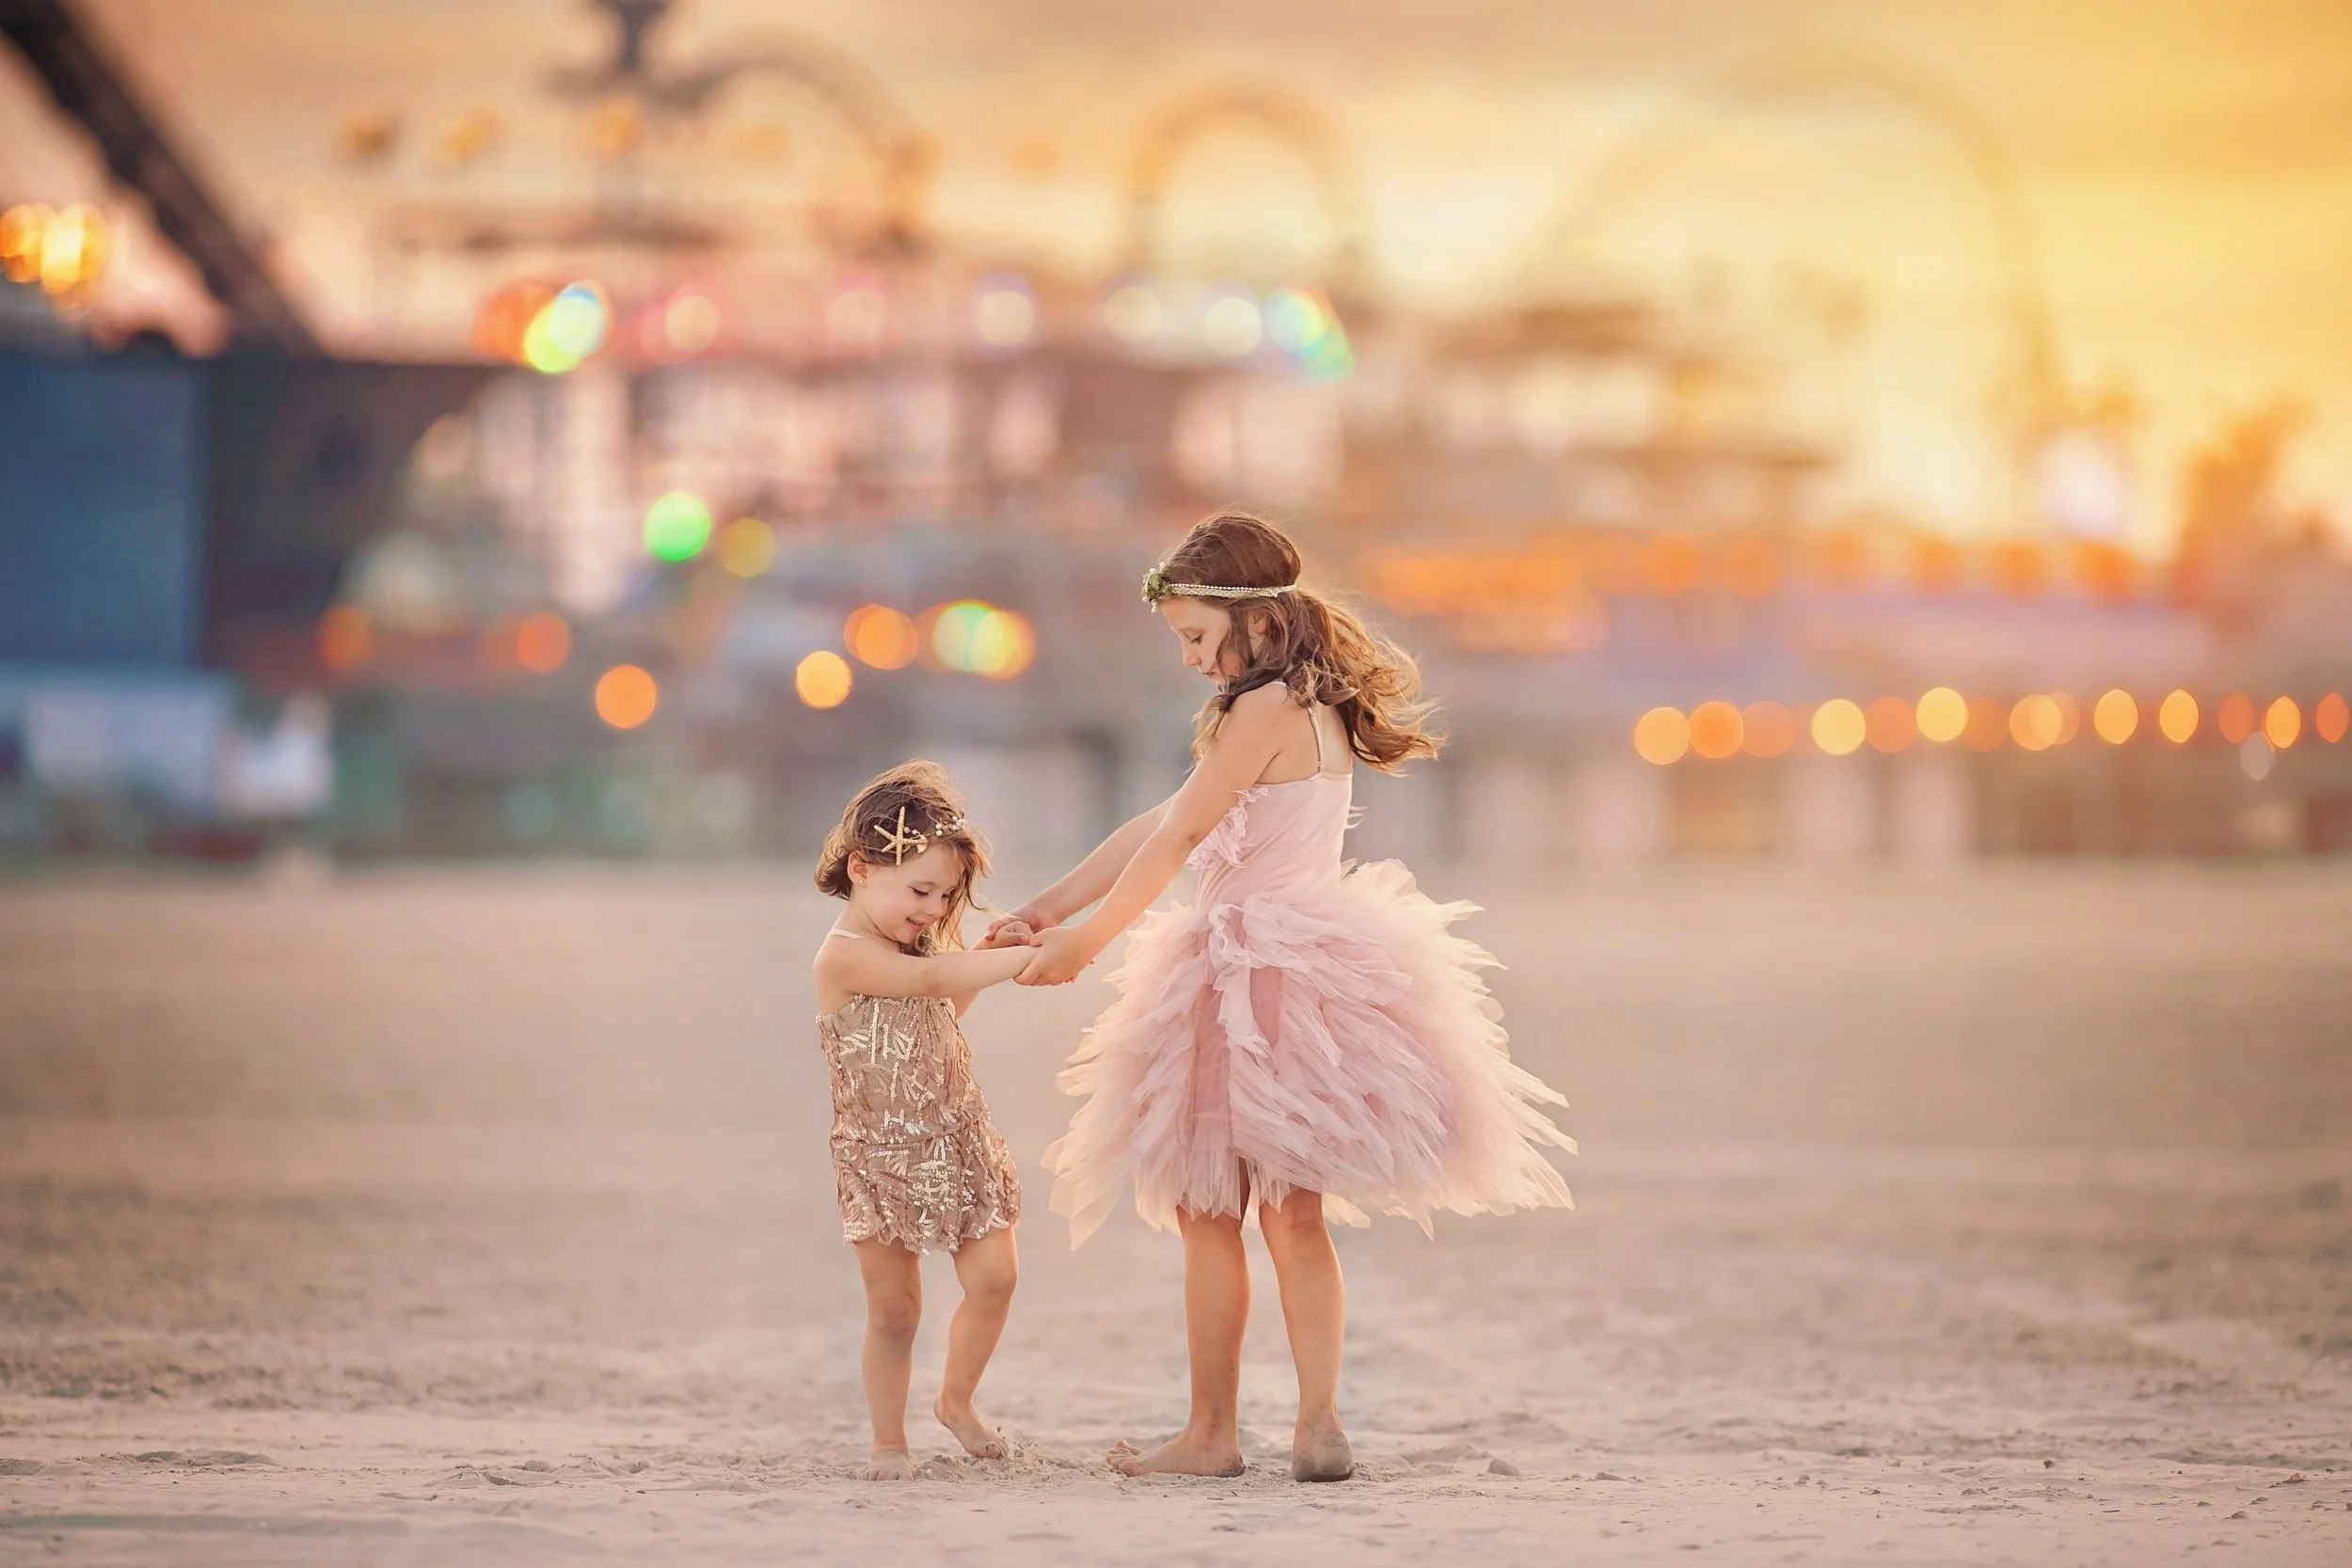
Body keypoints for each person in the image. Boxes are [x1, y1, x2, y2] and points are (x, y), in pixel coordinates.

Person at [992, 512, 1575, 1483]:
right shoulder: (1313, 705)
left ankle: (1212, 1433)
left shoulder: (1251, 712)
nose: (1185, 659)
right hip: (1310, 971)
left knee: (1206, 1211)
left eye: (1191, 636)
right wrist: (1048, 906)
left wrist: (1087, 944)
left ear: (1254, 623)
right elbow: (1165, 819)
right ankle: (1317, 1422)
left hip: (1241, 975)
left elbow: (1177, 841)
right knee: (1293, 1214)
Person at [811, 762, 1040, 1481]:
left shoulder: (916, 948)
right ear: (861, 866)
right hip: (878, 1154)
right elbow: (932, 981)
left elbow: (941, 1004)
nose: (934, 908)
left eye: (946, 895)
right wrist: (1036, 960)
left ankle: (956, 1399)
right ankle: (889, 1440)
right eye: (920, 891)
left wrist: (992, 953)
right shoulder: (843, 956)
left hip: (956, 1137)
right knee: (895, 1307)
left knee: (996, 1278)